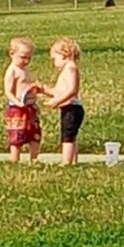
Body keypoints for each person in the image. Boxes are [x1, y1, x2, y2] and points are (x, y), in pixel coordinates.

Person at [39, 37, 85, 166]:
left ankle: (66, 162)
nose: (53, 63)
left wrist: (57, 102)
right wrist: (43, 89)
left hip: (72, 108)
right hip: (69, 107)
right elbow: (59, 91)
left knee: (67, 137)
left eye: (55, 59)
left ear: (66, 55)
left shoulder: (71, 69)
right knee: (71, 135)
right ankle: (73, 161)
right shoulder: (67, 69)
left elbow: (72, 91)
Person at [4, 36, 42, 163]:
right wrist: (17, 102)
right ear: (12, 54)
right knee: (17, 135)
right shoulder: (12, 71)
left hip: (29, 107)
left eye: (29, 58)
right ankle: (15, 158)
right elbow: (8, 91)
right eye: (23, 57)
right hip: (17, 108)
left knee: (34, 133)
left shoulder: (25, 69)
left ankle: (34, 158)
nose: (26, 61)